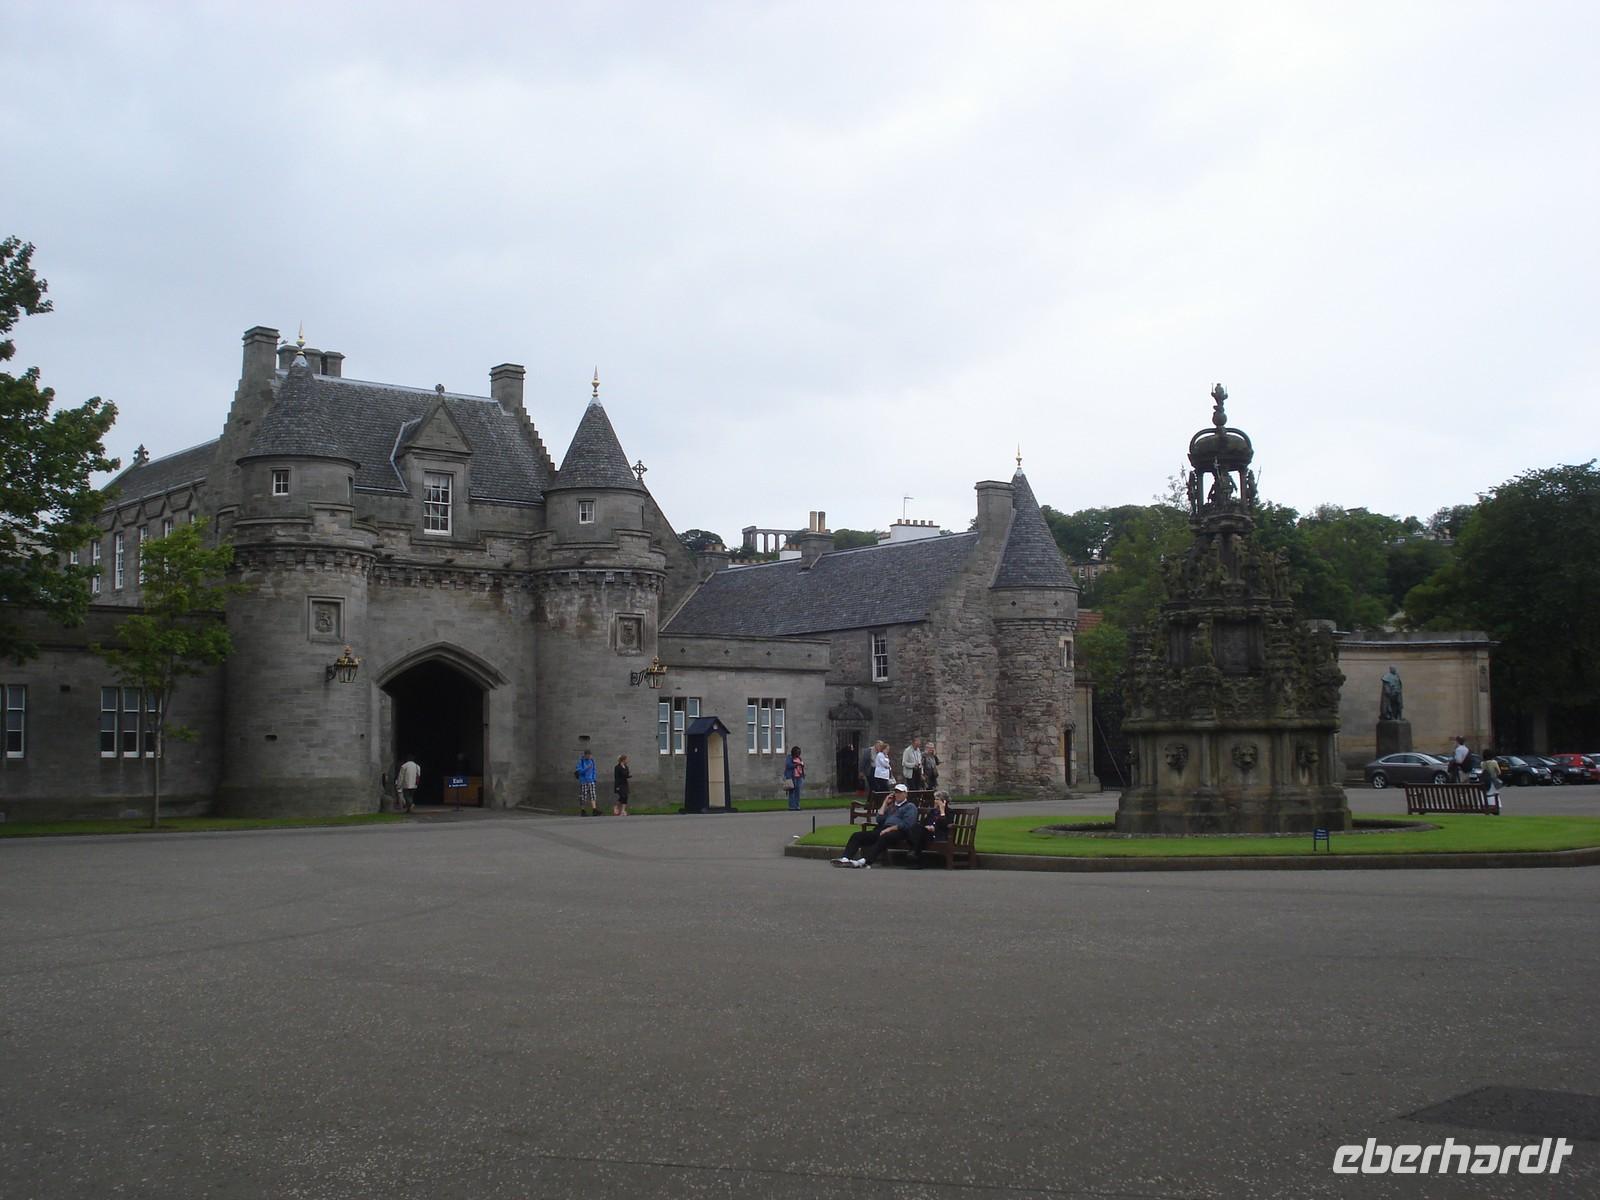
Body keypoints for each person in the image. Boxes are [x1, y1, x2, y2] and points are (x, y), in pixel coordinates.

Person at [832, 783, 919, 868]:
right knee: (857, 835)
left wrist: (889, 829)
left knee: (884, 836)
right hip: (883, 829)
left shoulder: (910, 807)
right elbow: (879, 819)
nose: (898, 794)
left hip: (899, 831)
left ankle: (865, 861)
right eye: (896, 792)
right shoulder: (891, 807)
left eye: (900, 792)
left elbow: (907, 824)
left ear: (905, 794)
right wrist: (885, 803)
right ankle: (845, 858)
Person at [905, 789, 952, 869]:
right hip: (927, 834)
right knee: (916, 827)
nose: (935, 801)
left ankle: (914, 854)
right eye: (935, 799)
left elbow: (945, 825)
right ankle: (915, 857)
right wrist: (927, 826)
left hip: (938, 835)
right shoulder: (933, 812)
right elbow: (924, 823)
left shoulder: (949, 812)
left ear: (944, 801)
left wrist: (942, 811)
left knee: (919, 836)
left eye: (937, 799)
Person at [575, 748, 599, 816]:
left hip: (591, 781)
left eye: (590, 755)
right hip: (584, 781)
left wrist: (594, 778)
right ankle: (583, 810)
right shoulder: (581, 762)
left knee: (593, 795)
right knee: (583, 796)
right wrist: (587, 768)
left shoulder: (592, 761)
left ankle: (594, 810)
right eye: (588, 755)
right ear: (585, 755)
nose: (589, 756)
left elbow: (594, 770)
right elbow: (580, 771)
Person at [783, 746, 805, 811]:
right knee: (792, 792)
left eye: (799, 752)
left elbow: (802, 766)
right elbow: (788, 765)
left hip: (799, 777)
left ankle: (797, 806)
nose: (799, 754)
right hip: (792, 777)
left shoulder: (799, 758)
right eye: (798, 752)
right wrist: (796, 764)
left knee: (797, 792)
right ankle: (791, 807)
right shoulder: (789, 757)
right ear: (794, 752)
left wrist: (802, 767)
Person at [1480, 748, 1502, 812]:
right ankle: (1495, 808)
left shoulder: (1482, 763)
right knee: (1494, 794)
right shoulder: (1494, 762)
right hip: (1492, 782)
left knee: (1486, 794)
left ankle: (1486, 805)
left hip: (1485, 782)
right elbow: (1499, 772)